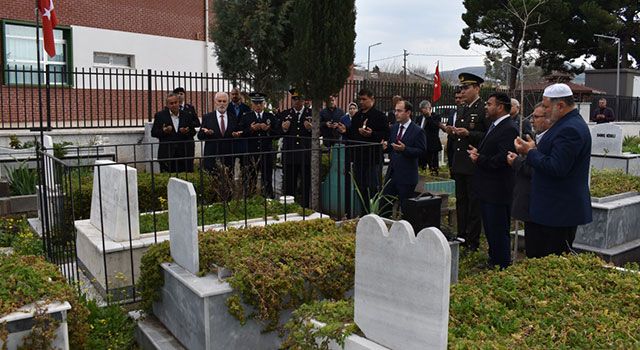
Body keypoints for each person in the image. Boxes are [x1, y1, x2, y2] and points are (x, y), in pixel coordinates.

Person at [514, 83, 592, 258]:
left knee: (549, 258)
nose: (545, 111)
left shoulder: (570, 128)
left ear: (561, 105)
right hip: (551, 209)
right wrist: (534, 148)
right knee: (536, 257)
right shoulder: (565, 124)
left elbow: (557, 167)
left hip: (558, 212)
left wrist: (530, 152)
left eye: (547, 107)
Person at [468, 92, 518, 268]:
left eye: (489, 104)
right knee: (490, 227)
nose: (486, 107)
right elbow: (493, 151)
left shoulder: (509, 128)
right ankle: (494, 259)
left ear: (500, 107)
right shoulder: (495, 126)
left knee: (498, 228)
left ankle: (502, 264)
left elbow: (504, 158)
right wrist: (479, 153)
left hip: (498, 189)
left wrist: (479, 159)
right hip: (487, 187)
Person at [507, 104, 553, 258]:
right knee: (532, 250)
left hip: (539, 206)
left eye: (536, 117)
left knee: (538, 253)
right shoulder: (537, 138)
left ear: (549, 119)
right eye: (532, 116)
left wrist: (517, 162)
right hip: (530, 206)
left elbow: (538, 170)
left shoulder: (549, 141)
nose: (532, 121)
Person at [449, 73, 488, 251]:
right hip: (460, 163)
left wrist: (468, 134)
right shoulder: (462, 108)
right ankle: (461, 235)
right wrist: (454, 131)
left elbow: (487, 136)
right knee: (461, 202)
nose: (463, 91)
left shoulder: (483, 109)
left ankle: (472, 241)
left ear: (477, 88)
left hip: (473, 164)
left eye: (466, 88)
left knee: (474, 204)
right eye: (462, 88)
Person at [336, 88, 389, 214]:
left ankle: (374, 214)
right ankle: (364, 213)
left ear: (372, 99)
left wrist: (372, 134)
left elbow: (386, 134)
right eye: (360, 100)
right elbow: (353, 134)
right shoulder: (357, 116)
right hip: (359, 158)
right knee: (360, 187)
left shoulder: (379, 116)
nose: (362, 102)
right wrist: (346, 131)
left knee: (372, 188)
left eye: (364, 99)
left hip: (373, 158)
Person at [382, 100, 426, 215]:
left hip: (407, 176)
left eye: (399, 111)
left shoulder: (417, 131)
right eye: (395, 111)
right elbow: (392, 147)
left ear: (408, 112)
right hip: (392, 174)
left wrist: (405, 149)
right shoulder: (394, 128)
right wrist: (385, 147)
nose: (396, 113)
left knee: (406, 210)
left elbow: (421, 151)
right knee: (384, 205)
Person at [239, 92, 279, 198]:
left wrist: (268, 129)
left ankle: (268, 200)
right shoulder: (246, 117)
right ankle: (249, 200)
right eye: (255, 103)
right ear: (252, 104)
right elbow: (241, 133)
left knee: (267, 178)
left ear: (264, 104)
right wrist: (251, 129)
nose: (258, 106)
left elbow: (277, 134)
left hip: (266, 152)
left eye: (260, 103)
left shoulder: (270, 117)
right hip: (251, 153)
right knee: (250, 178)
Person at [280, 89, 313, 207]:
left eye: (299, 99)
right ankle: (289, 208)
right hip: (290, 154)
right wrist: (283, 128)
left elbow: (319, 131)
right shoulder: (285, 114)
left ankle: (305, 208)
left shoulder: (311, 113)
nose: (297, 101)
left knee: (305, 184)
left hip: (305, 154)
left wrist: (311, 128)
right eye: (294, 99)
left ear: (304, 100)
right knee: (289, 184)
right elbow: (277, 132)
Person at [151, 93, 199, 173]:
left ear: (178, 103)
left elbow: (193, 132)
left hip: (185, 154)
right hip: (167, 153)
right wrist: (164, 131)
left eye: (175, 102)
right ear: (167, 105)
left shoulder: (187, 115)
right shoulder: (160, 116)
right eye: (171, 103)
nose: (174, 105)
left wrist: (186, 131)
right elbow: (154, 133)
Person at [198, 92, 241, 172]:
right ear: (215, 102)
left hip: (228, 157)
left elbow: (237, 132)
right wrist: (206, 133)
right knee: (212, 182)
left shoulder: (233, 117)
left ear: (228, 103)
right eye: (219, 101)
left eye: (224, 101)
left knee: (228, 182)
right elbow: (200, 136)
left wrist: (236, 135)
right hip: (212, 156)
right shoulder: (207, 117)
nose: (222, 104)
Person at [172, 87, 201, 172]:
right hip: (176, 141)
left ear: (184, 95)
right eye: (177, 94)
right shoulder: (170, 108)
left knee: (188, 166)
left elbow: (197, 122)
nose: (179, 96)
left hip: (188, 140)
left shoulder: (190, 108)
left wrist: (188, 126)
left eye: (181, 94)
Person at [414, 100, 443, 175]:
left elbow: (434, 127)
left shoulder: (436, 117)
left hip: (432, 146)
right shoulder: (419, 118)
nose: (422, 111)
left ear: (429, 108)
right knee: (421, 168)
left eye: (424, 108)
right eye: (421, 109)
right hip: (421, 147)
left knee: (433, 168)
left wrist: (429, 116)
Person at [444, 88, 464, 168]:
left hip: (461, 143)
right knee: (451, 167)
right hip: (451, 142)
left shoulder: (467, 113)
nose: (458, 100)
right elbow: (449, 124)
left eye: (460, 98)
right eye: (456, 98)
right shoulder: (452, 112)